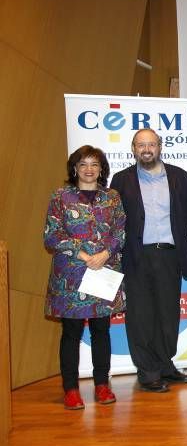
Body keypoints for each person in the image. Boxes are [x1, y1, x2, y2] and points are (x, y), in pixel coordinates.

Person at [112, 129, 187, 393]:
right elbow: (115, 218)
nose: (146, 149)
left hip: (170, 254)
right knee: (140, 315)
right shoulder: (121, 179)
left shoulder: (180, 177)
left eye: (151, 144)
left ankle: (165, 364)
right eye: (141, 145)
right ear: (133, 149)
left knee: (167, 312)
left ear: (160, 146)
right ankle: (147, 371)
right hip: (137, 256)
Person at [44, 146, 125, 409]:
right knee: (71, 331)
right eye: (83, 164)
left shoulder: (112, 197)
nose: (89, 169)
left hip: (103, 270)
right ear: (74, 168)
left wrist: (104, 253)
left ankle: (102, 384)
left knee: (101, 330)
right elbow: (52, 235)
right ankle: (70, 389)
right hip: (72, 275)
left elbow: (120, 231)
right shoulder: (61, 196)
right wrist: (82, 255)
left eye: (94, 164)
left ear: (102, 169)